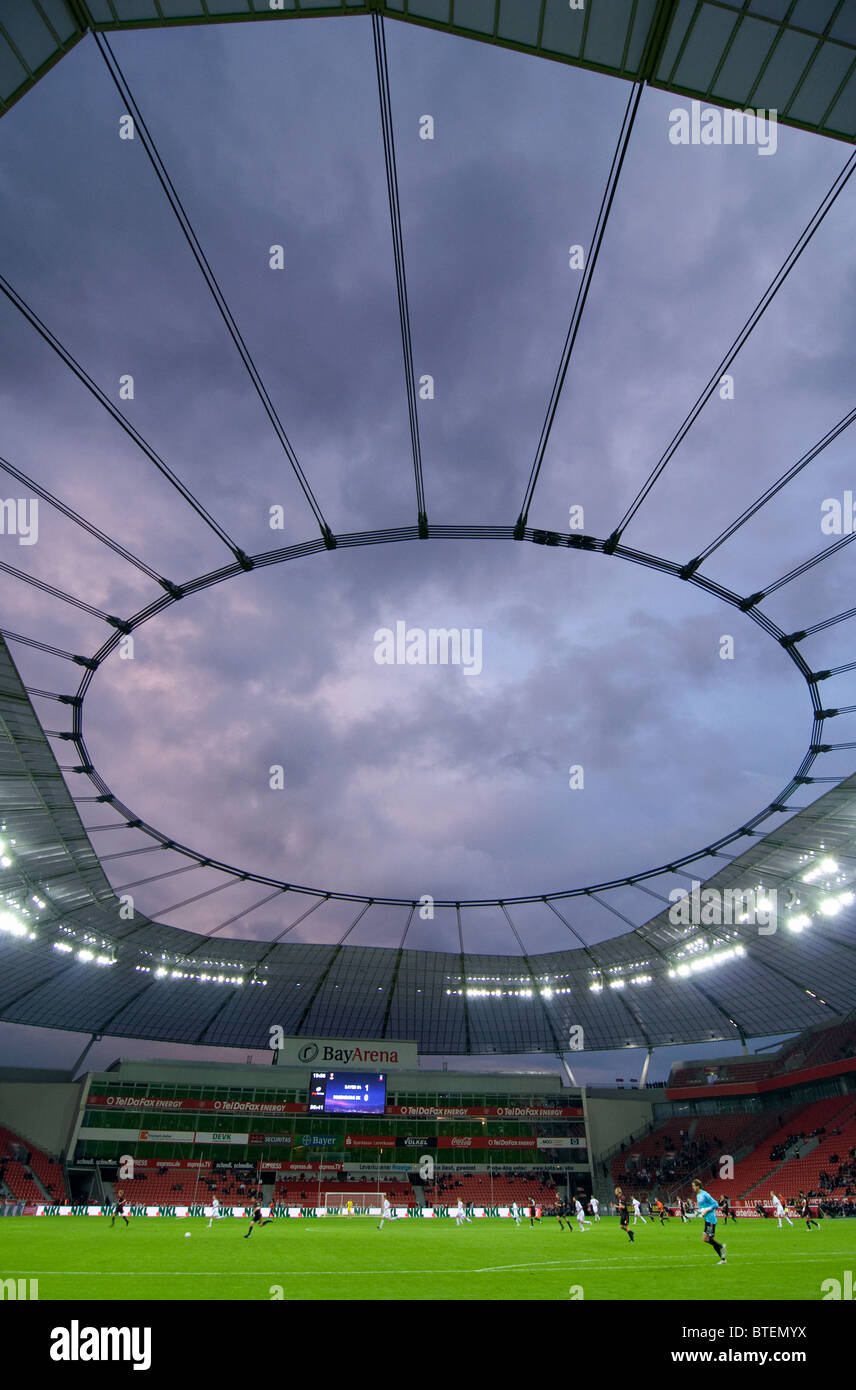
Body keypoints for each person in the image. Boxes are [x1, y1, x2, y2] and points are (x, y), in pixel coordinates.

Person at [691, 1179, 727, 1264]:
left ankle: (722, 1255)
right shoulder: (698, 1195)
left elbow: (715, 1204)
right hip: (707, 1219)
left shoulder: (705, 1194)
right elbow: (701, 1207)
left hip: (711, 1219)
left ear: (698, 1186)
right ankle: (722, 1251)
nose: (692, 1187)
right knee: (705, 1239)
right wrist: (698, 1211)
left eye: (693, 1186)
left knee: (709, 1239)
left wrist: (707, 1210)